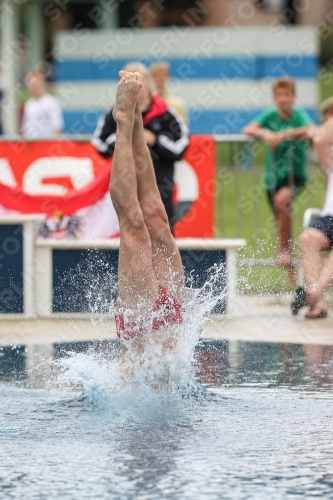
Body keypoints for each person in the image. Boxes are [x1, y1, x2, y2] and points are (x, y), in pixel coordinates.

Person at [109, 70, 184, 360]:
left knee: (155, 220)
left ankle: (133, 118)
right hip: (142, 319)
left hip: (164, 314)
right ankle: (125, 121)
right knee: (137, 223)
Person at [93, 62, 189, 234]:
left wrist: (155, 140)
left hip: (160, 189)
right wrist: (124, 138)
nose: (134, 87)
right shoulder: (115, 114)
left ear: (147, 83)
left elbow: (181, 146)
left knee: (162, 237)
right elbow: (99, 143)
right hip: (125, 188)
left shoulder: (165, 114)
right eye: (127, 82)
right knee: (128, 237)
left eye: (137, 81)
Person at [242, 77, 313, 285]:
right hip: (272, 178)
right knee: (281, 221)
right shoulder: (270, 115)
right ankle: (291, 276)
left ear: (294, 97)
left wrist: (286, 133)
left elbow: (310, 129)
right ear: (274, 97)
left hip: (294, 175)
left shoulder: (298, 115)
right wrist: (264, 132)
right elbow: (248, 129)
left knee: (283, 201)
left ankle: (283, 249)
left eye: (287, 95)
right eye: (280, 95)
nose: (284, 99)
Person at [292, 97, 333, 319]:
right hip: (330, 216)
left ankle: (312, 294)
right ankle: (318, 303)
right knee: (309, 238)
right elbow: (321, 141)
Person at [21, 70, 64, 138]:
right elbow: (25, 128)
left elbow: (57, 126)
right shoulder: (28, 104)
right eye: (31, 85)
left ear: (42, 83)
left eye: (35, 85)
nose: (33, 88)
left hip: (46, 143)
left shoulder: (52, 102)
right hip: (32, 144)